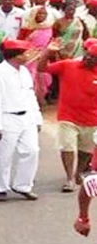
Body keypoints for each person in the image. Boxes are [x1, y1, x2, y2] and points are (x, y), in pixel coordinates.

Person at [0, 39, 44, 202]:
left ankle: (23, 185)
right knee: (3, 155)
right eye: (25, 53)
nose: (28, 56)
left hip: (27, 117)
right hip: (7, 117)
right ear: (15, 55)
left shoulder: (24, 72)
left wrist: (37, 117)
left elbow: (30, 95)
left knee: (31, 151)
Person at [39, 40, 97, 192]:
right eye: (88, 55)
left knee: (86, 150)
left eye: (94, 57)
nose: (89, 58)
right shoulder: (68, 65)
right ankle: (69, 178)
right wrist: (48, 52)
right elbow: (42, 68)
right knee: (67, 146)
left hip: (92, 119)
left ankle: (79, 173)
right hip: (68, 116)